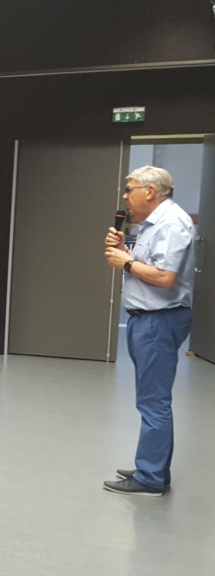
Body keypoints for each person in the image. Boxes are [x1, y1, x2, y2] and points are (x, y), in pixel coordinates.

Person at [102, 166, 196, 497]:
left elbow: (165, 277)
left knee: (153, 402)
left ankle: (151, 477)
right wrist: (126, 252)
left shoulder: (171, 224)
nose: (125, 196)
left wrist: (125, 263)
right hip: (149, 319)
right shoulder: (154, 224)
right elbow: (152, 265)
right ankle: (153, 467)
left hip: (159, 320)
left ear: (150, 192)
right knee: (151, 400)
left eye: (130, 189)